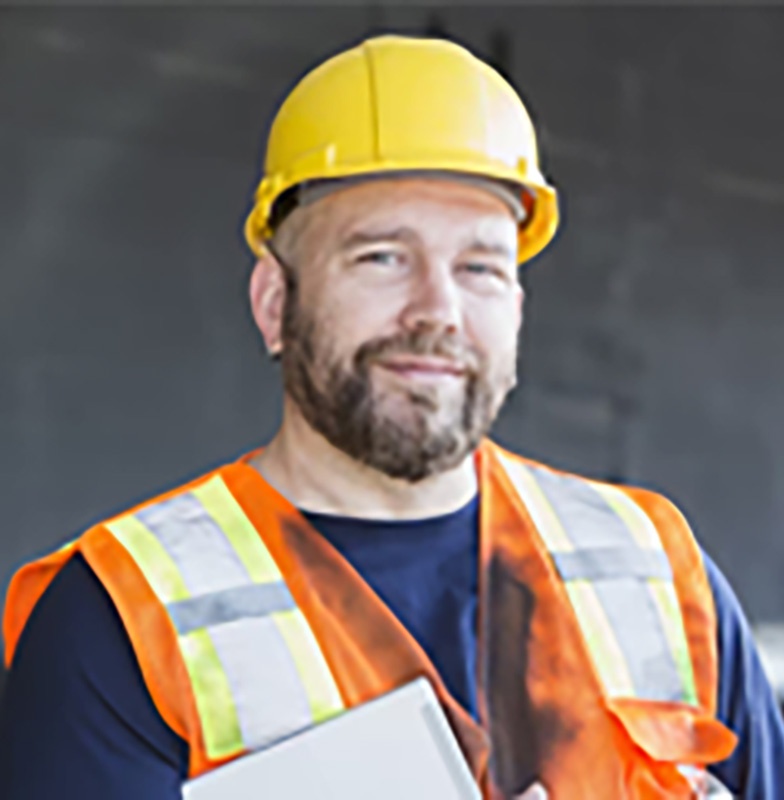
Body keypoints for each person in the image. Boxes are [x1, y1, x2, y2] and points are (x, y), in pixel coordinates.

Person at [1, 34, 782, 800]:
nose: (436, 310)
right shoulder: (123, 617)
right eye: (382, 257)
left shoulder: (660, 578)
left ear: (514, 307)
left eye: (478, 267)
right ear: (275, 304)